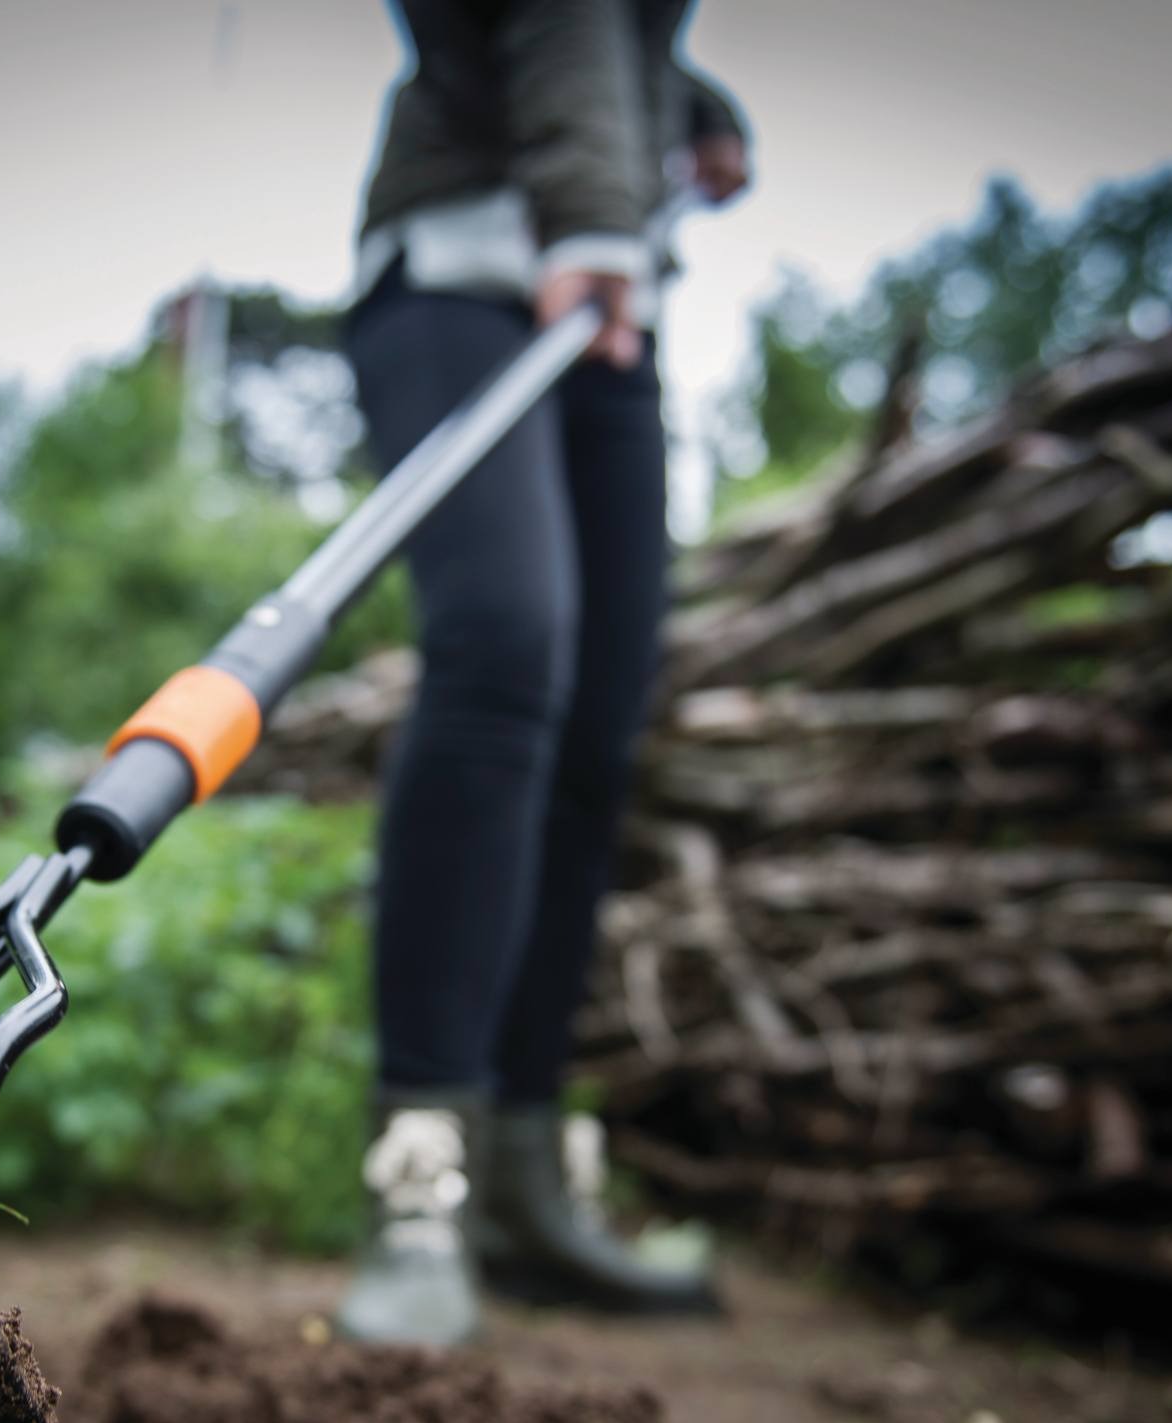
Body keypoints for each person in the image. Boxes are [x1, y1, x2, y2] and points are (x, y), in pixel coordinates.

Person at [335, 0, 750, 1346]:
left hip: (608, 297)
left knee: (598, 722)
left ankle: (519, 1183)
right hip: (465, 269)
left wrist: (689, 109)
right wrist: (585, 209)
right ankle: (419, 1189)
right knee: (504, 652)